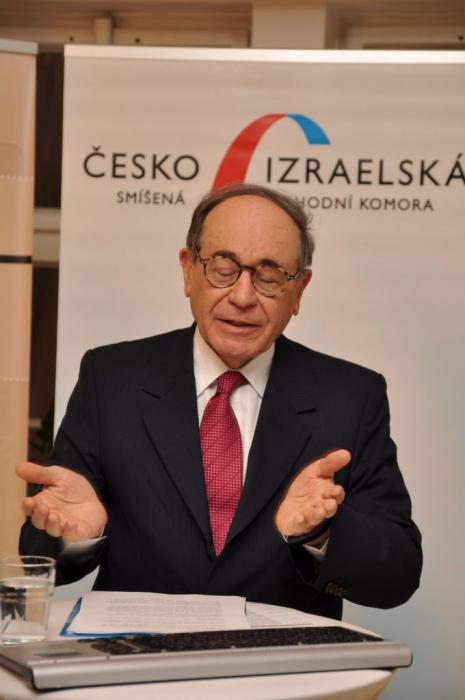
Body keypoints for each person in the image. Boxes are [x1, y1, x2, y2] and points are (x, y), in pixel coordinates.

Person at [17, 183, 422, 620]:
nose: (243, 297)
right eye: (223, 269)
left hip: (280, 660)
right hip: (136, 654)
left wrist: (321, 534)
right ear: (188, 270)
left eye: (269, 276)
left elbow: (398, 573)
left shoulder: (351, 396)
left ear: (300, 289)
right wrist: (78, 535)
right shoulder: (111, 379)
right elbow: (39, 551)